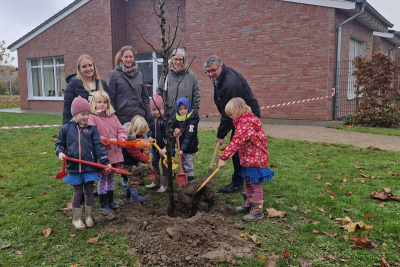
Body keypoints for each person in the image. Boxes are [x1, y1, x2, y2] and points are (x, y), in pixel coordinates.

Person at [204, 55, 261, 194]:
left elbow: (228, 114)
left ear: (221, 66)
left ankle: (239, 182)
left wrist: (221, 134)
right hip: (238, 116)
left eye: (213, 70)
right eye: (208, 71)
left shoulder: (229, 84)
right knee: (239, 148)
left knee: (238, 148)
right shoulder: (221, 77)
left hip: (246, 117)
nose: (211, 74)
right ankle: (244, 179)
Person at [55, 96, 111, 230]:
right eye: (83, 114)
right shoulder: (67, 129)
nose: (86, 117)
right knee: (78, 192)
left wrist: (105, 162)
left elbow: (99, 147)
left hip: (89, 167)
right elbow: (59, 144)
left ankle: (89, 216)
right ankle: (76, 219)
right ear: (75, 114)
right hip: (74, 168)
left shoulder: (92, 129)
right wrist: (60, 153)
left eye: (88, 114)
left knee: (90, 191)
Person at [218, 98, 274, 221]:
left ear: (238, 111)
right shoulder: (244, 122)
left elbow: (236, 142)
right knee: (248, 181)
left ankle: (258, 210)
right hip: (249, 158)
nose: (231, 117)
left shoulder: (245, 125)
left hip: (255, 159)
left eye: (231, 114)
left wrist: (224, 157)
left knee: (255, 184)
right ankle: (249, 202)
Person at [88, 91, 127, 214]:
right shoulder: (92, 118)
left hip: (115, 155)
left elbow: (121, 130)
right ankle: (102, 203)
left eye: (105, 102)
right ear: (94, 103)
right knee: (103, 179)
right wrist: (105, 140)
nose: (102, 105)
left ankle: (110, 201)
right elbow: (92, 134)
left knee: (111, 178)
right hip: (103, 156)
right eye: (99, 102)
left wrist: (121, 138)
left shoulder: (113, 117)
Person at [108, 46, 151, 126]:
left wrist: (148, 115)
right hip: (122, 119)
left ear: (134, 57)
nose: (128, 59)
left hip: (139, 118)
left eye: (131, 57)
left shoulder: (139, 74)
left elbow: (145, 97)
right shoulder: (114, 75)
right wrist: (113, 119)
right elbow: (111, 99)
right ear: (121, 57)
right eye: (126, 57)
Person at [62, 54, 108, 125]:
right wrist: (67, 129)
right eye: (84, 66)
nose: (88, 69)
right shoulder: (73, 85)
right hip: (82, 126)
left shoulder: (102, 84)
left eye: (90, 65)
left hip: (101, 125)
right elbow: (68, 110)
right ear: (79, 69)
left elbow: (109, 106)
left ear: (94, 66)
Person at [157, 48, 201, 117]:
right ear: (172, 60)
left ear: (184, 60)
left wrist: (193, 114)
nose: (178, 62)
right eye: (176, 59)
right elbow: (159, 94)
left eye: (180, 59)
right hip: (169, 119)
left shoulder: (191, 77)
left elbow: (196, 97)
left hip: (186, 119)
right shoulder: (165, 75)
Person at [122, 115, 152, 202]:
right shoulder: (130, 139)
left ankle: (128, 192)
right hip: (128, 162)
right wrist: (146, 160)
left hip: (131, 161)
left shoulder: (137, 135)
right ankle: (134, 197)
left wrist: (144, 146)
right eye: (141, 132)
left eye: (144, 132)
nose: (142, 134)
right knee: (135, 178)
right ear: (135, 129)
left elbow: (141, 142)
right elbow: (136, 154)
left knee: (131, 177)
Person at [146, 94, 171, 193]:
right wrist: (150, 136)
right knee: (154, 162)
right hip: (155, 148)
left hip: (164, 148)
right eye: (153, 110)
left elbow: (168, 135)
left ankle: (164, 184)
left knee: (164, 164)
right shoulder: (151, 118)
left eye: (158, 109)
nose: (156, 112)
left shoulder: (166, 119)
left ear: (163, 107)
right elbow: (149, 129)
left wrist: (166, 147)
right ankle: (156, 182)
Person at [172, 97, 199, 183]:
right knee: (183, 164)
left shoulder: (192, 120)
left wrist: (183, 149)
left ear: (188, 108)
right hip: (181, 148)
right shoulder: (177, 119)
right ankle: (184, 180)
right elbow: (173, 128)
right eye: (180, 109)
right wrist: (175, 130)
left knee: (188, 164)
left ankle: (191, 181)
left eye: (184, 108)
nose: (182, 111)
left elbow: (189, 136)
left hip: (190, 147)